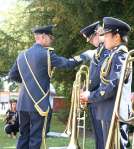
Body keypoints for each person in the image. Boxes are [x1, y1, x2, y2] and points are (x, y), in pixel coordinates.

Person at [8, 25, 82, 149]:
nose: (52, 40)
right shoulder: (47, 54)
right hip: (39, 104)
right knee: (36, 138)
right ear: (43, 37)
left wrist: (28, 82)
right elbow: (68, 64)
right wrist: (84, 57)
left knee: (23, 137)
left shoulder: (22, 55)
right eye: (50, 37)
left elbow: (12, 75)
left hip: (22, 104)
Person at [80, 17, 131, 149]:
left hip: (114, 111)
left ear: (117, 37)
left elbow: (111, 86)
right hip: (108, 110)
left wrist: (90, 96)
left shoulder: (120, 55)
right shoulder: (113, 54)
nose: (104, 38)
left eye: (107, 35)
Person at [79, 21, 109, 149]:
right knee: (99, 138)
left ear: (97, 33)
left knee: (104, 139)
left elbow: (102, 76)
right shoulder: (98, 52)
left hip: (101, 99)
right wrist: (85, 89)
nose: (90, 41)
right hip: (94, 100)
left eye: (91, 38)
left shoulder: (107, 51)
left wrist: (89, 92)